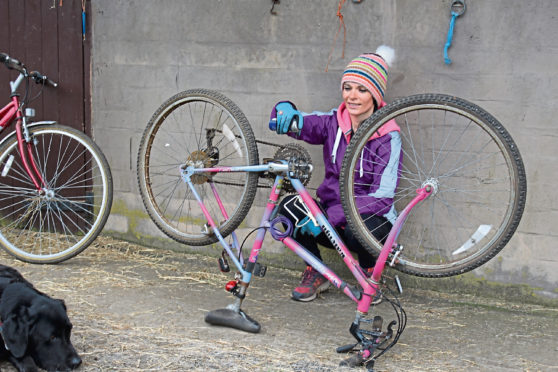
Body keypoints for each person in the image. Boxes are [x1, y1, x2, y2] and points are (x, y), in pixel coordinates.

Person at [270, 46, 402, 302]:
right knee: (289, 207)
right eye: (347, 87)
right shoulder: (332, 122)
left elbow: (383, 198)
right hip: (329, 220)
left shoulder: (389, 135)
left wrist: (330, 216)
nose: (352, 96)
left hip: (366, 222)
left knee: (362, 227)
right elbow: (300, 122)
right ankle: (317, 271)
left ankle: (369, 274)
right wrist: (283, 111)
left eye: (362, 89)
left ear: (375, 95)